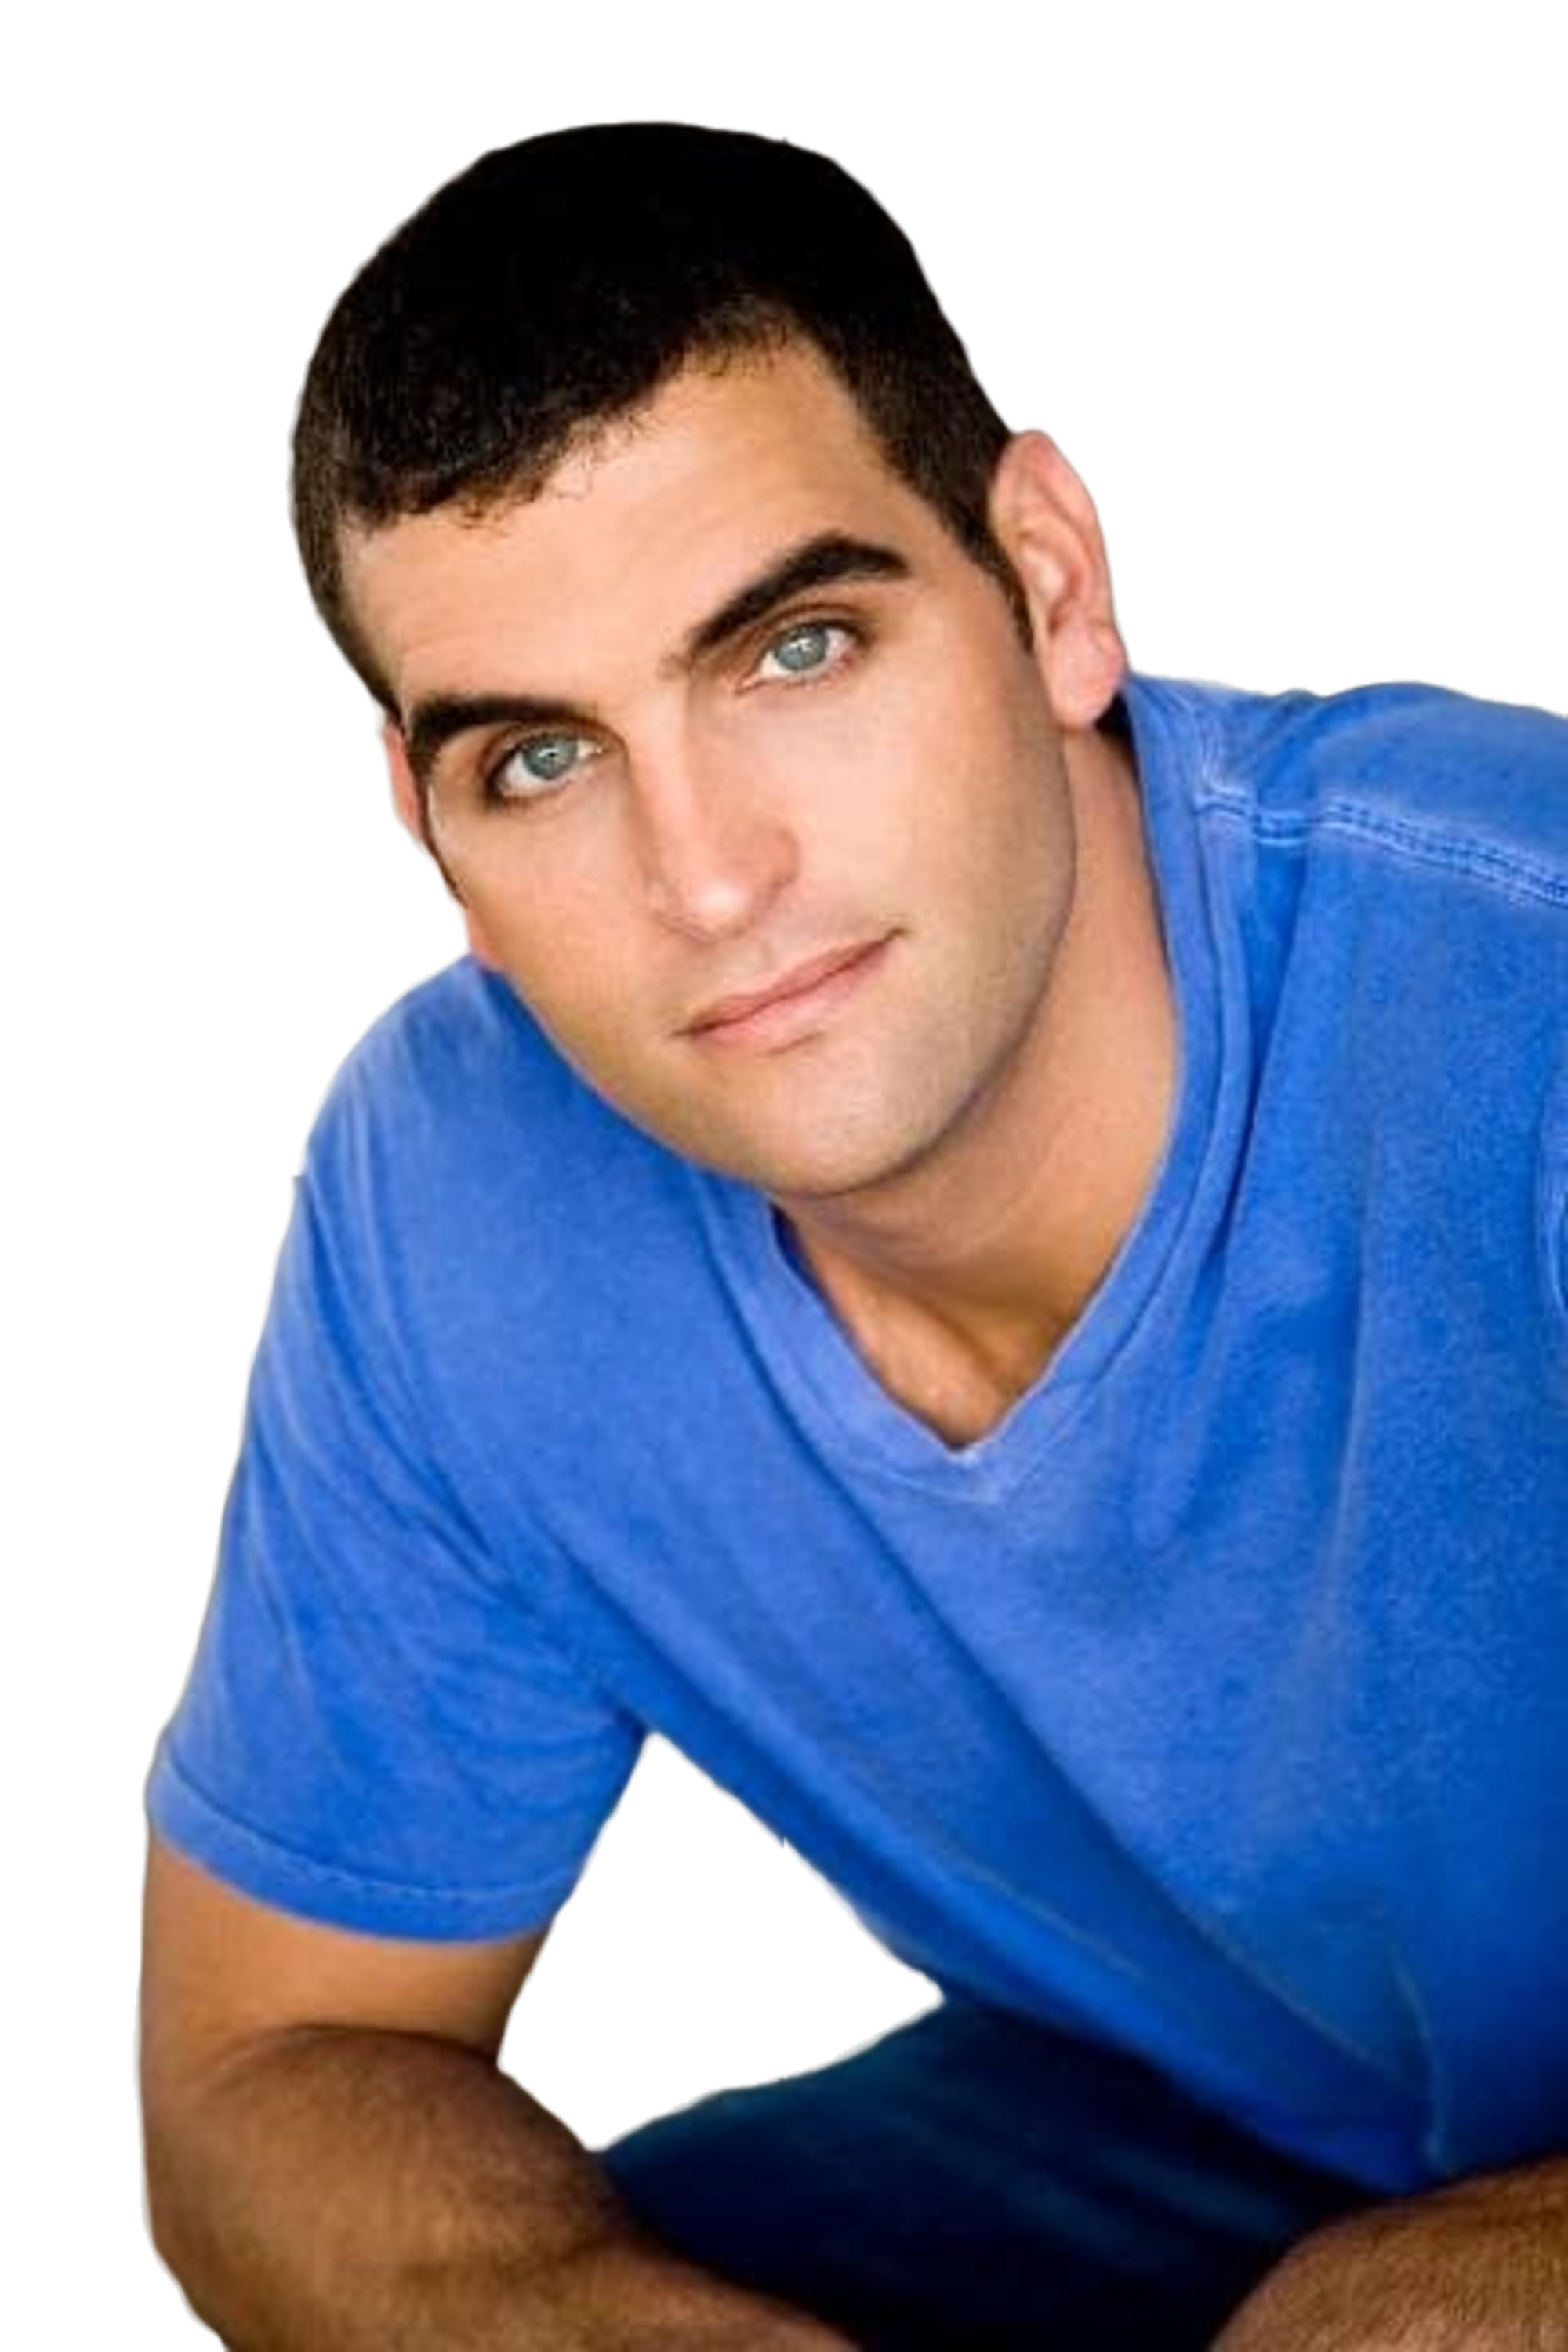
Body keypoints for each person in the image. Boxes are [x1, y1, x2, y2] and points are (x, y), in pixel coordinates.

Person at [134, 120, 1567, 2350]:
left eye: (797, 648)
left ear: (1053, 584)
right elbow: (268, 2069)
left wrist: (1437, 2306)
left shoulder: (1528, 1004)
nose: (708, 881)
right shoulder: (452, 1191)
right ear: (422, 827)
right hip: (1183, 2120)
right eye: (542, 761)